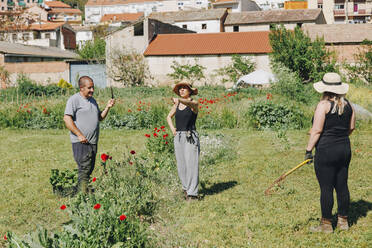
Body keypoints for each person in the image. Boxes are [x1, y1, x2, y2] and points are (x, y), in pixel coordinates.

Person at [305, 72, 355, 233]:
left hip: (326, 151)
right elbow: (351, 127)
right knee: (342, 185)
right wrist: (339, 138)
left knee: (326, 188)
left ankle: (326, 225)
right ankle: (343, 222)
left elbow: (317, 130)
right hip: (344, 149)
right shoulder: (349, 105)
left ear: (324, 89)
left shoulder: (323, 105)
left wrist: (308, 150)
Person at [64, 76, 115, 194]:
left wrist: (108, 107)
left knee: (89, 168)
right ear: (81, 88)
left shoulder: (92, 100)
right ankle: (81, 194)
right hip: (81, 142)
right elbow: (67, 119)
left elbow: (100, 118)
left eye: (93, 87)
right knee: (84, 168)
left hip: (92, 141)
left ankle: (81, 191)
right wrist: (79, 135)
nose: (92, 90)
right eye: (89, 88)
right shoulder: (74, 100)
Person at [167, 82, 200, 201]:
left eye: (184, 88)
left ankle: (193, 194)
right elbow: (168, 117)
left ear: (190, 91)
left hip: (190, 136)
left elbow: (193, 104)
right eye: (179, 89)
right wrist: (173, 129)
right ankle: (186, 189)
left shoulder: (193, 103)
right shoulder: (177, 105)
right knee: (181, 165)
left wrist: (179, 101)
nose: (181, 90)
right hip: (179, 136)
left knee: (191, 164)